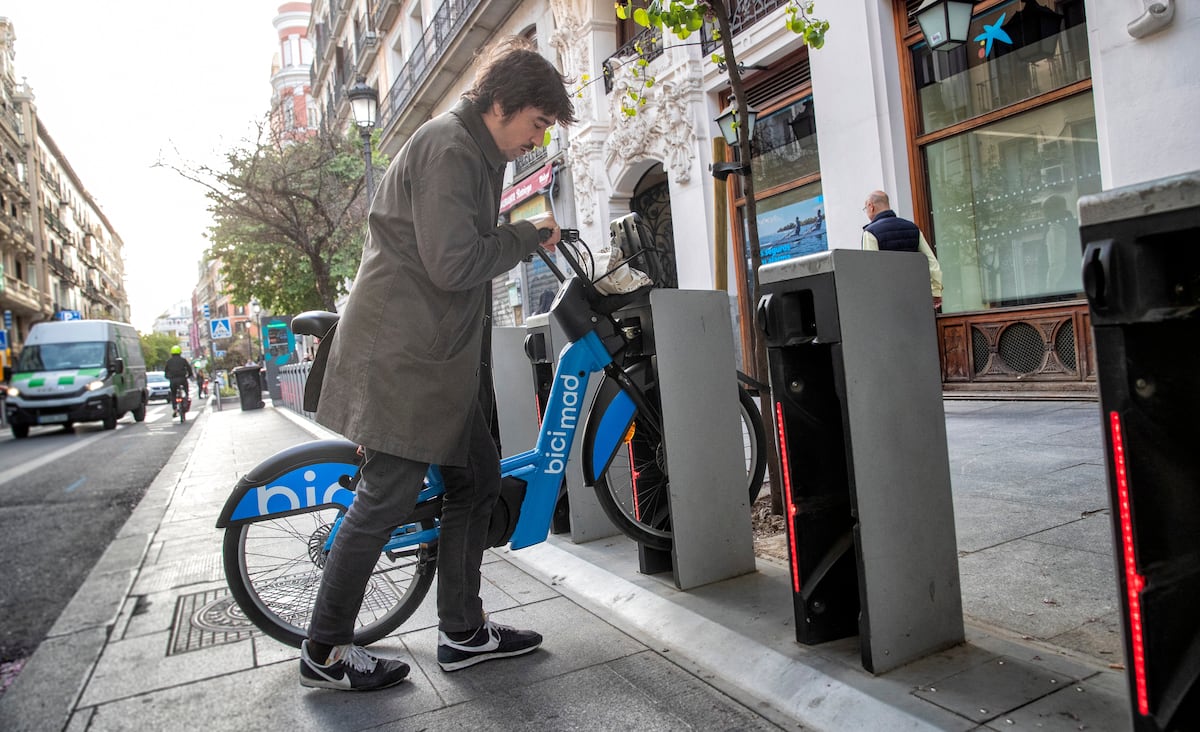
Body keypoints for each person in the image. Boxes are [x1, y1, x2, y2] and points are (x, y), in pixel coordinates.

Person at [299, 37, 577, 692]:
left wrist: (513, 234)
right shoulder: (449, 148)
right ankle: (326, 649)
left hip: (434, 361)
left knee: (477, 480)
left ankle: (463, 630)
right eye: (536, 123)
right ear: (503, 104)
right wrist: (521, 235)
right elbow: (454, 262)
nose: (536, 140)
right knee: (384, 501)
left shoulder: (478, 155)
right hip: (405, 363)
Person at [861, 190, 943, 310]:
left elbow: (871, 271)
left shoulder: (870, 233)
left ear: (871, 206)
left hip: (888, 301)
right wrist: (935, 291)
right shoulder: (913, 228)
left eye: (865, 208)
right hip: (916, 297)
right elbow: (931, 262)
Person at [1042, 194, 1078, 293]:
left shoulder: (1056, 228)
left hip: (1062, 283)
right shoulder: (1072, 225)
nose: (1045, 215)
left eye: (1046, 211)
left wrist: (1050, 287)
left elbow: (1057, 262)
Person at [162, 346, 193, 415]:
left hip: (173, 380)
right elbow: (188, 368)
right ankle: (186, 397)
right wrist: (189, 375)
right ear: (180, 352)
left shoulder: (169, 361)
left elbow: (166, 371)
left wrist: (167, 377)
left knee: (173, 394)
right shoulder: (183, 360)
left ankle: (175, 408)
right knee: (185, 389)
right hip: (182, 379)